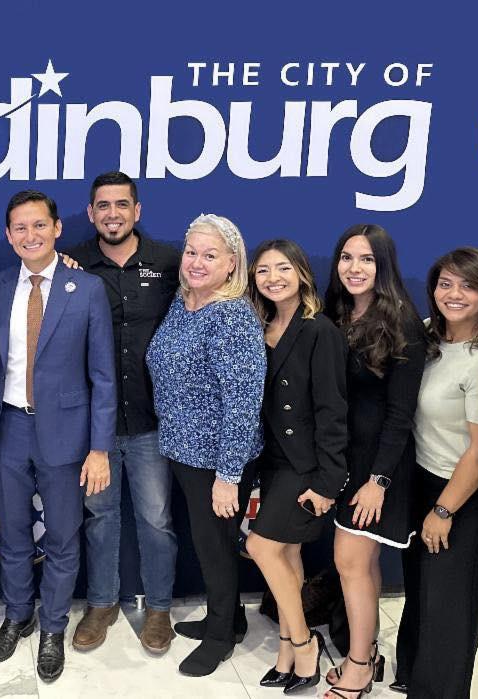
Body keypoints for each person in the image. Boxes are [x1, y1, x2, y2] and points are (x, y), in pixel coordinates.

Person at [0, 190, 115, 683]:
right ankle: (19, 615)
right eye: (20, 227)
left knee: (62, 536)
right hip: (8, 427)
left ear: (57, 229)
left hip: (66, 434)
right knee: (13, 532)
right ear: (8, 235)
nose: (30, 235)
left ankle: (53, 626)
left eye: (39, 225)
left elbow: (103, 376)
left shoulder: (88, 289)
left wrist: (99, 448)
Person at [65, 172, 180, 654]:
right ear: (91, 213)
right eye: (103, 206)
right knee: (100, 516)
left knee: (156, 519)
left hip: (153, 420)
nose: (112, 214)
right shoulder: (71, 264)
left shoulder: (169, 262)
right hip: (97, 424)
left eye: (121, 204)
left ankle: (159, 608)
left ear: (137, 210)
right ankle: (101, 603)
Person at [146, 213, 265, 678]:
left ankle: (219, 639)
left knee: (215, 549)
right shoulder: (185, 301)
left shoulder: (232, 316)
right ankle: (229, 618)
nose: (196, 262)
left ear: (232, 263)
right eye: (192, 252)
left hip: (217, 460)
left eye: (210, 255)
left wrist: (228, 476)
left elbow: (243, 403)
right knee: (209, 543)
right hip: (184, 453)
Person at [391, 247, 478, 698]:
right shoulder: (428, 335)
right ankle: (411, 675)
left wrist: (443, 511)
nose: (453, 294)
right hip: (419, 479)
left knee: (450, 611)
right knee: (422, 594)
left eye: (468, 285)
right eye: (445, 284)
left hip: (461, 495)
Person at [321, 224, 425, 699]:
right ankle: (368, 652)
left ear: (383, 266)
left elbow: (401, 414)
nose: (354, 268)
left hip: (378, 467)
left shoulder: (401, 322)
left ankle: (359, 668)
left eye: (366, 259)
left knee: (350, 562)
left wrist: (378, 481)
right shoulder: (338, 313)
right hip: (344, 460)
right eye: (347, 257)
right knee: (359, 565)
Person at [243, 239, 346, 694]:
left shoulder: (318, 330)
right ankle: (286, 647)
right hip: (271, 459)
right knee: (286, 555)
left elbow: (332, 411)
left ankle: (305, 643)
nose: (273, 278)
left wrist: (328, 482)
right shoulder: (260, 323)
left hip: (305, 465)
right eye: (263, 270)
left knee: (262, 548)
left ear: (302, 272)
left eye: (283, 268)